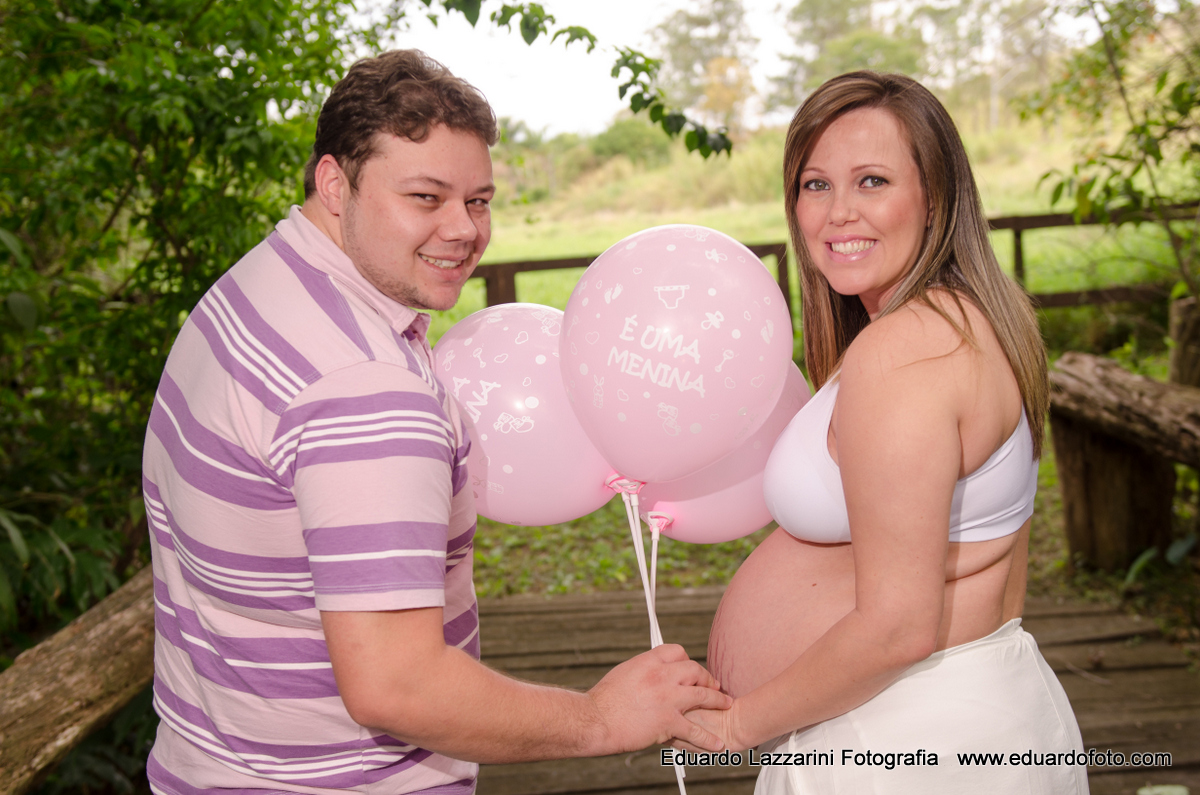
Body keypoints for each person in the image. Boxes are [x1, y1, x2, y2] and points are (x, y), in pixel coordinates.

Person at [141, 49, 729, 795]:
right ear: (334, 183)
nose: (464, 230)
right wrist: (601, 719)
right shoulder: (364, 387)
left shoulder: (250, 290)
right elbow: (398, 687)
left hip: (208, 766)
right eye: (426, 197)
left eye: (478, 200)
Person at [687, 72, 1089, 793]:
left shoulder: (907, 350)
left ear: (934, 196)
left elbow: (898, 625)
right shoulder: (976, 315)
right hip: (953, 714)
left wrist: (734, 726)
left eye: (872, 181)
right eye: (815, 185)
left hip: (910, 741)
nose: (838, 212)